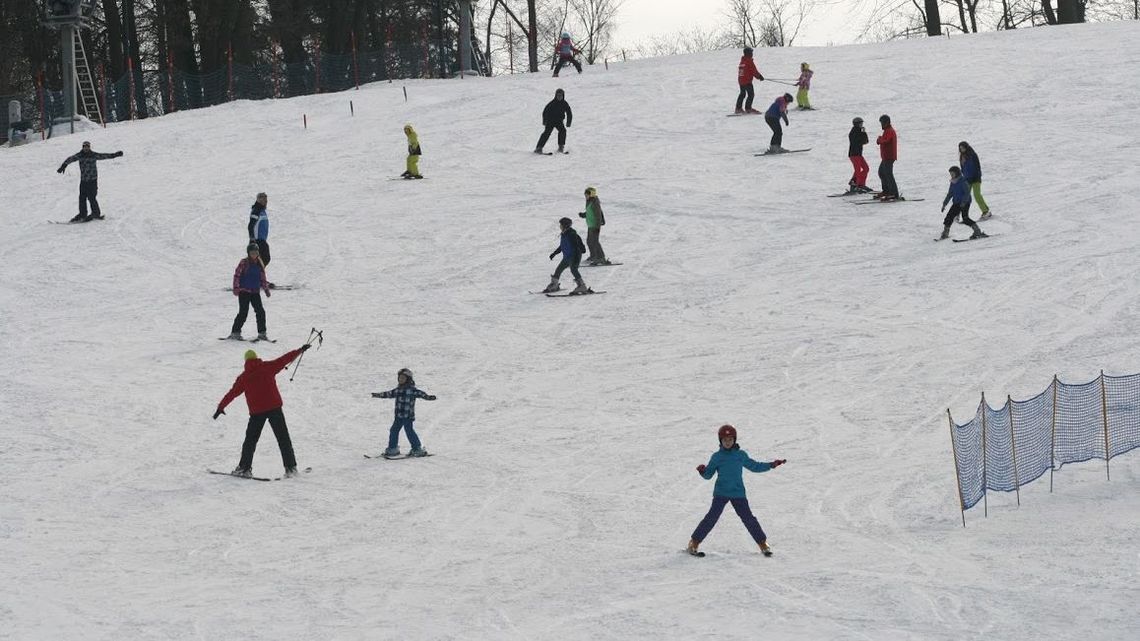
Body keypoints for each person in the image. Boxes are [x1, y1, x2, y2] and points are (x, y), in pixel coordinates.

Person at [688, 425, 786, 557]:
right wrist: (702, 471)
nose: (727, 442)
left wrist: (771, 465)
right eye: (725, 440)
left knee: (748, 518)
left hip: (738, 493)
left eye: (730, 439)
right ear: (720, 441)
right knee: (711, 518)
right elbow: (708, 475)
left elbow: (755, 466)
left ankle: (763, 544)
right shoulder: (717, 457)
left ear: (734, 440)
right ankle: (694, 543)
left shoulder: (740, 455)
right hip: (721, 493)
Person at [213, 345, 311, 478]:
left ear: (246, 362)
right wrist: (300, 350)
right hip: (274, 408)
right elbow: (284, 359)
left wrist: (220, 407)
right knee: (283, 438)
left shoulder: (244, 377)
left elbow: (232, 393)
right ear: (256, 358)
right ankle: (291, 468)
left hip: (257, 413)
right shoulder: (268, 366)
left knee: (250, 441)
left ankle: (244, 468)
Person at [371, 368, 437, 457]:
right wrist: (378, 395)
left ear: (408, 379)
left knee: (409, 431)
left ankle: (417, 449)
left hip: (407, 416)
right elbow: (388, 394)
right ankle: (392, 449)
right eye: (399, 378)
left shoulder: (412, 390)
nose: (400, 380)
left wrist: (429, 397)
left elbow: (421, 394)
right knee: (394, 430)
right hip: (398, 416)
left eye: (403, 378)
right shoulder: (398, 390)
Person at [56, 141, 123, 222]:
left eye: (87, 146)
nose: (86, 148)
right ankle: (82, 214)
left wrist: (115, 155)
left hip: (92, 181)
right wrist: (63, 166)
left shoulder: (93, 155)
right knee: (82, 198)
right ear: (83, 147)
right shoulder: (80, 155)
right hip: (83, 181)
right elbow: (70, 159)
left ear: (89, 147)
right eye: (85, 146)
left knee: (92, 197)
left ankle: (96, 213)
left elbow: (104, 156)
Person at [227, 243, 271, 341]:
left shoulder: (260, 264)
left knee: (260, 312)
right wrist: (236, 287)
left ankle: (262, 333)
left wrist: (266, 289)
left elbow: (262, 278)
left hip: (255, 292)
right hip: (244, 291)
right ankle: (235, 332)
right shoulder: (244, 263)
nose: (254, 254)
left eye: (256, 252)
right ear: (248, 253)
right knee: (243, 312)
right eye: (252, 252)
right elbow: (237, 275)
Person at [541, 217, 590, 294]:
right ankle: (555, 284)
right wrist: (554, 253)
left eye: (561, 225)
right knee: (558, 269)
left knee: (573, 269)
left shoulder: (571, 234)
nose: (560, 226)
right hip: (567, 257)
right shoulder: (564, 234)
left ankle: (582, 286)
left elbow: (577, 245)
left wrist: (578, 254)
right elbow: (562, 246)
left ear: (565, 225)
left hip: (574, 256)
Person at [939, 166, 987, 241]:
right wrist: (944, 204)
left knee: (965, 218)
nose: (951, 175)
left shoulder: (962, 181)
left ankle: (977, 231)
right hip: (956, 203)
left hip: (965, 202)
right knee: (949, 216)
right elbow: (950, 194)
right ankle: (945, 232)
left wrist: (964, 202)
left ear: (957, 173)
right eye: (950, 174)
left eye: (952, 174)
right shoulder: (953, 182)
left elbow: (967, 193)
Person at [958, 141, 990, 220]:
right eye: (960, 148)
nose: (962, 149)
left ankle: (985, 211)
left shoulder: (973, 155)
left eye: (963, 148)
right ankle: (957, 214)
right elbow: (963, 169)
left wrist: (977, 176)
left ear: (966, 147)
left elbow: (978, 167)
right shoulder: (961, 157)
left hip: (975, 178)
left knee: (977, 195)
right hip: (967, 179)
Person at [535, 89, 573, 154]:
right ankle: (539, 148)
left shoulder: (564, 104)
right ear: (556, 96)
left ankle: (561, 146)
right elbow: (545, 112)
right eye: (558, 95)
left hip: (559, 121)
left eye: (561, 96)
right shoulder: (552, 103)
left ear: (563, 96)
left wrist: (568, 122)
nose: (559, 97)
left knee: (563, 131)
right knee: (547, 133)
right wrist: (544, 121)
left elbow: (569, 113)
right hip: (550, 121)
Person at [578, 186, 609, 265]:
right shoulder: (589, 201)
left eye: (587, 195)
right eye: (585, 195)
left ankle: (601, 258)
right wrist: (583, 215)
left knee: (595, 242)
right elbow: (589, 212)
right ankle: (593, 256)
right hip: (591, 225)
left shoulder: (595, 202)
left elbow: (598, 215)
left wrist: (597, 226)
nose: (585, 196)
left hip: (595, 225)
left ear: (591, 194)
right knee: (589, 241)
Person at [875, 114, 899, 200]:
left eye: (882, 122)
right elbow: (885, 139)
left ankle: (893, 193)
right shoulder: (887, 130)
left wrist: (880, 140)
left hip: (889, 157)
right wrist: (881, 138)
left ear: (886, 122)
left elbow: (887, 141)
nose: (881, 124)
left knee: (888, 174)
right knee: (881, 173)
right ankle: (887, 191)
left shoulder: (890, 131)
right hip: (885, 157)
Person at [735, 47, 764, 114]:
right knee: (751, 94)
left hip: (741, 81)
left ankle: (738, 108)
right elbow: (754, 71)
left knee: (742, 94)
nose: (752, 54)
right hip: (747, 81)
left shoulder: (742, 61)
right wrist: (759, 77)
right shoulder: (749, 61)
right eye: (751, 52)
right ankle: (748, 108)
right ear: (747, 53)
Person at [847, 117, 872, 193]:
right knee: (858, 170)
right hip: (854, 154)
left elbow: (866, 141)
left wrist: (863, 132)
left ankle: (860, 184)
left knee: (866, 168)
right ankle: (856, 185)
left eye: (862, 123)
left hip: (858, 154)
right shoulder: (853, 132)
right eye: (860, 123)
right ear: (856, 124)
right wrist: (862, 134)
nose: (862, 124)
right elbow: (860, 141)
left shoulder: (859, 131)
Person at [247, 192, 271, 266]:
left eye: (266, 200)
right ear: (259, 200)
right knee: (261, 259)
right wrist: (252, 240)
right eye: (264, 200)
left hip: (262, 240)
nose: (266, 202)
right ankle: (255, 274)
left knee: (265, 258)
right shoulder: (256, 210)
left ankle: (258, 274)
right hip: (257, 240)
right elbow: (251, 225)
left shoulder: (262, 211)